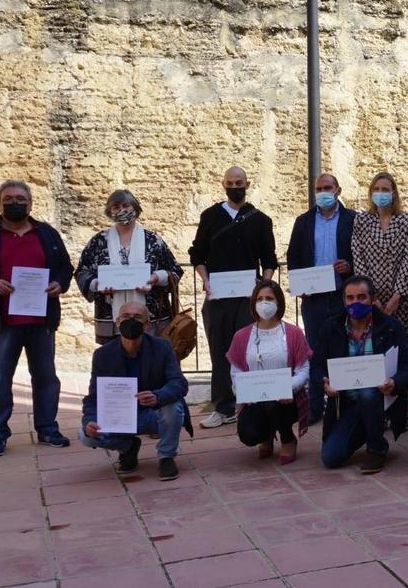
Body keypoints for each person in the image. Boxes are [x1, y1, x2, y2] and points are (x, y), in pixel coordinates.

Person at [0, 180, 73, 457]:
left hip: (41, 321)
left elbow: (66, 266)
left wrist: (59, 283)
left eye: (20, 198)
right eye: (8, 199)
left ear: (30, 203)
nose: (14, 203)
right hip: (2, 322)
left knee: (45, 378)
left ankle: (47, 428)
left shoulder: (47, 234)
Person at [189, 166, 278, 429]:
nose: (234, 186)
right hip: (217, 298)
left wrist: (264, 284)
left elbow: (269, 259)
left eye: (239, 182)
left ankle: (252, 403)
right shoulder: (210, 217)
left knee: (251, 351)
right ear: (223, 185)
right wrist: (205, 281)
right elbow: (198, 255)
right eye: (230, 182)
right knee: (220, 352)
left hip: (248, 298)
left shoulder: (260, 220)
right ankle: (223, 406)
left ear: (247, 184)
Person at [78, 301, 190, 481]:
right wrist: (89, 421)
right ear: (117, 322)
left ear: (147, 324)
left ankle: (166, 456)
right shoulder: (103, 355)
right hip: (120, 418)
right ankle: (127, 447)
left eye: (138, 317)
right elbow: (94, 397)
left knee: (174, 407)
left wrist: (157, 396)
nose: (131, 321)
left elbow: (179, 383)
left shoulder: (162, 347)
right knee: (85, 436)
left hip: (154, 415)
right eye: (126, 317)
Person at [318, 276, 408, 473]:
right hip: (346, 403)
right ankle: (366, 428)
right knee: (330, 458)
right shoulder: (331, 327)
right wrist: (324, 383)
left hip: (380, 399)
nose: (355, 302)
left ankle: (377, 449)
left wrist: (394, 382)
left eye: (362, 297)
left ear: (373, 299)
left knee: (368, 393)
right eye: (350, 297)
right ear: (344, 301)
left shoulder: (390, 327)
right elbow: (316, 366)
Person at [286, 173, 355, 422]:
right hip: (313, 298)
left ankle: (345, 403)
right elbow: (293, 257)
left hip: (342, 296)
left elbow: (359, 255)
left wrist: (350, 267)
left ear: (338, 190)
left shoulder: (352, 219)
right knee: (314, 351)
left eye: (327, 187)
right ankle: (315, 407)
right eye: (318, 188)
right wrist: (297, 285)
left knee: (343, 348)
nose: (323, 192)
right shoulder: (303, 221)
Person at [74, 190, 184, 344]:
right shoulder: (98, 241)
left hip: (151, 317)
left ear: (135, 208)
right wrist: (97, 284)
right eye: (116, 207)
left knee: (150, 361)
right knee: (115, 362)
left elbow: (175, 270)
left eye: (126, 205)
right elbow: (82, 272)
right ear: (109, 211)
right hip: (110, 318)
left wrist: (156, 278)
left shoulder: (153, 240)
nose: (121, 210)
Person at [226, 280, 312, 465]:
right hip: (254, 400)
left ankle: (288, 439)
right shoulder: (241, 336)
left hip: (287, 400)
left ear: (279, 302)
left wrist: (289, 388)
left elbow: (303, 370)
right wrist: (242, 390)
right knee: (248, 435)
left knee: (274, 407)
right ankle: (266, 434)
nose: (264, 303)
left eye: (269, 298)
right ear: (253, 303)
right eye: (260, 298)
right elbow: (236, 370)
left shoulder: (294, 333)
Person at [351, 172, 408, 335]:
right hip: (370, 299)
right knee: (373, 343)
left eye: (385, 189)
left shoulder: (407, 221)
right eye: (377, 189)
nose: (380, 193)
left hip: (402, 299)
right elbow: (358, 258)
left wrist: (396, 297)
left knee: (402, 344)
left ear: (393, 193)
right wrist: (372, 297)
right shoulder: (361, 221)